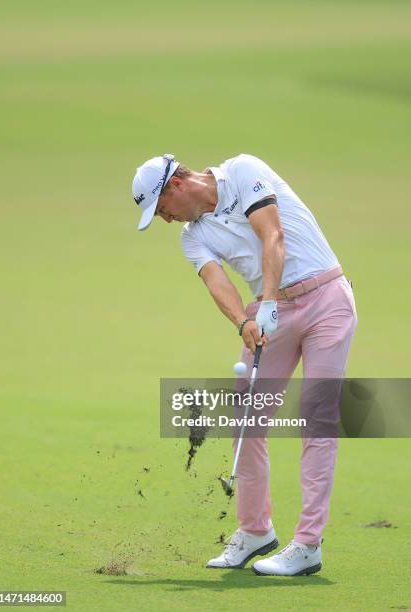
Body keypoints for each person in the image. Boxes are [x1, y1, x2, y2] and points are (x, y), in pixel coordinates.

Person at [131, 153, 358, 576]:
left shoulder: (242, 171)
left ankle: (308, 544)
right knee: (245, 418)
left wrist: (267, 300)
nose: (164, 219)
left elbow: (272, 234)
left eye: (161, 209)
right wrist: (243, 322)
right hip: (273, 315)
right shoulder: (191, 236)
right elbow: (217, 282)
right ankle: (255, 530)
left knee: (317, 419)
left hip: (327, 298)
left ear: (176, 186)